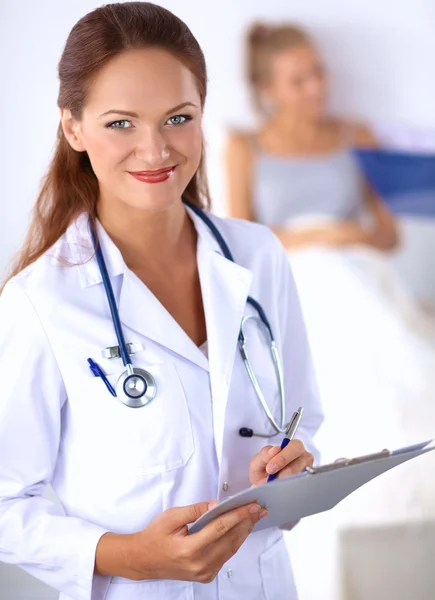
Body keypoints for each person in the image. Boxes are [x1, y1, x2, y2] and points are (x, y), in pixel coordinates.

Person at [0, 4, 324, 600]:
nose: (155, 150)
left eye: (178, 118)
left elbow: (304, 421)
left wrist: (291, 468)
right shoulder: (40, 303)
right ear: (74, 129)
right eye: (121, 123)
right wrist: (129, 557)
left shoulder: (258, 257)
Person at [226, 22, 435, 600]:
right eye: (299, 79)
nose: (316, 87)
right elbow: (246, 239)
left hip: (359, 274)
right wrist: (312, 239)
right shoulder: (247, 145)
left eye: (318, 72)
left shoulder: (355, 134)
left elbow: (388, 236)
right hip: (295, 281)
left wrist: (345, 234)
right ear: (268, 88)